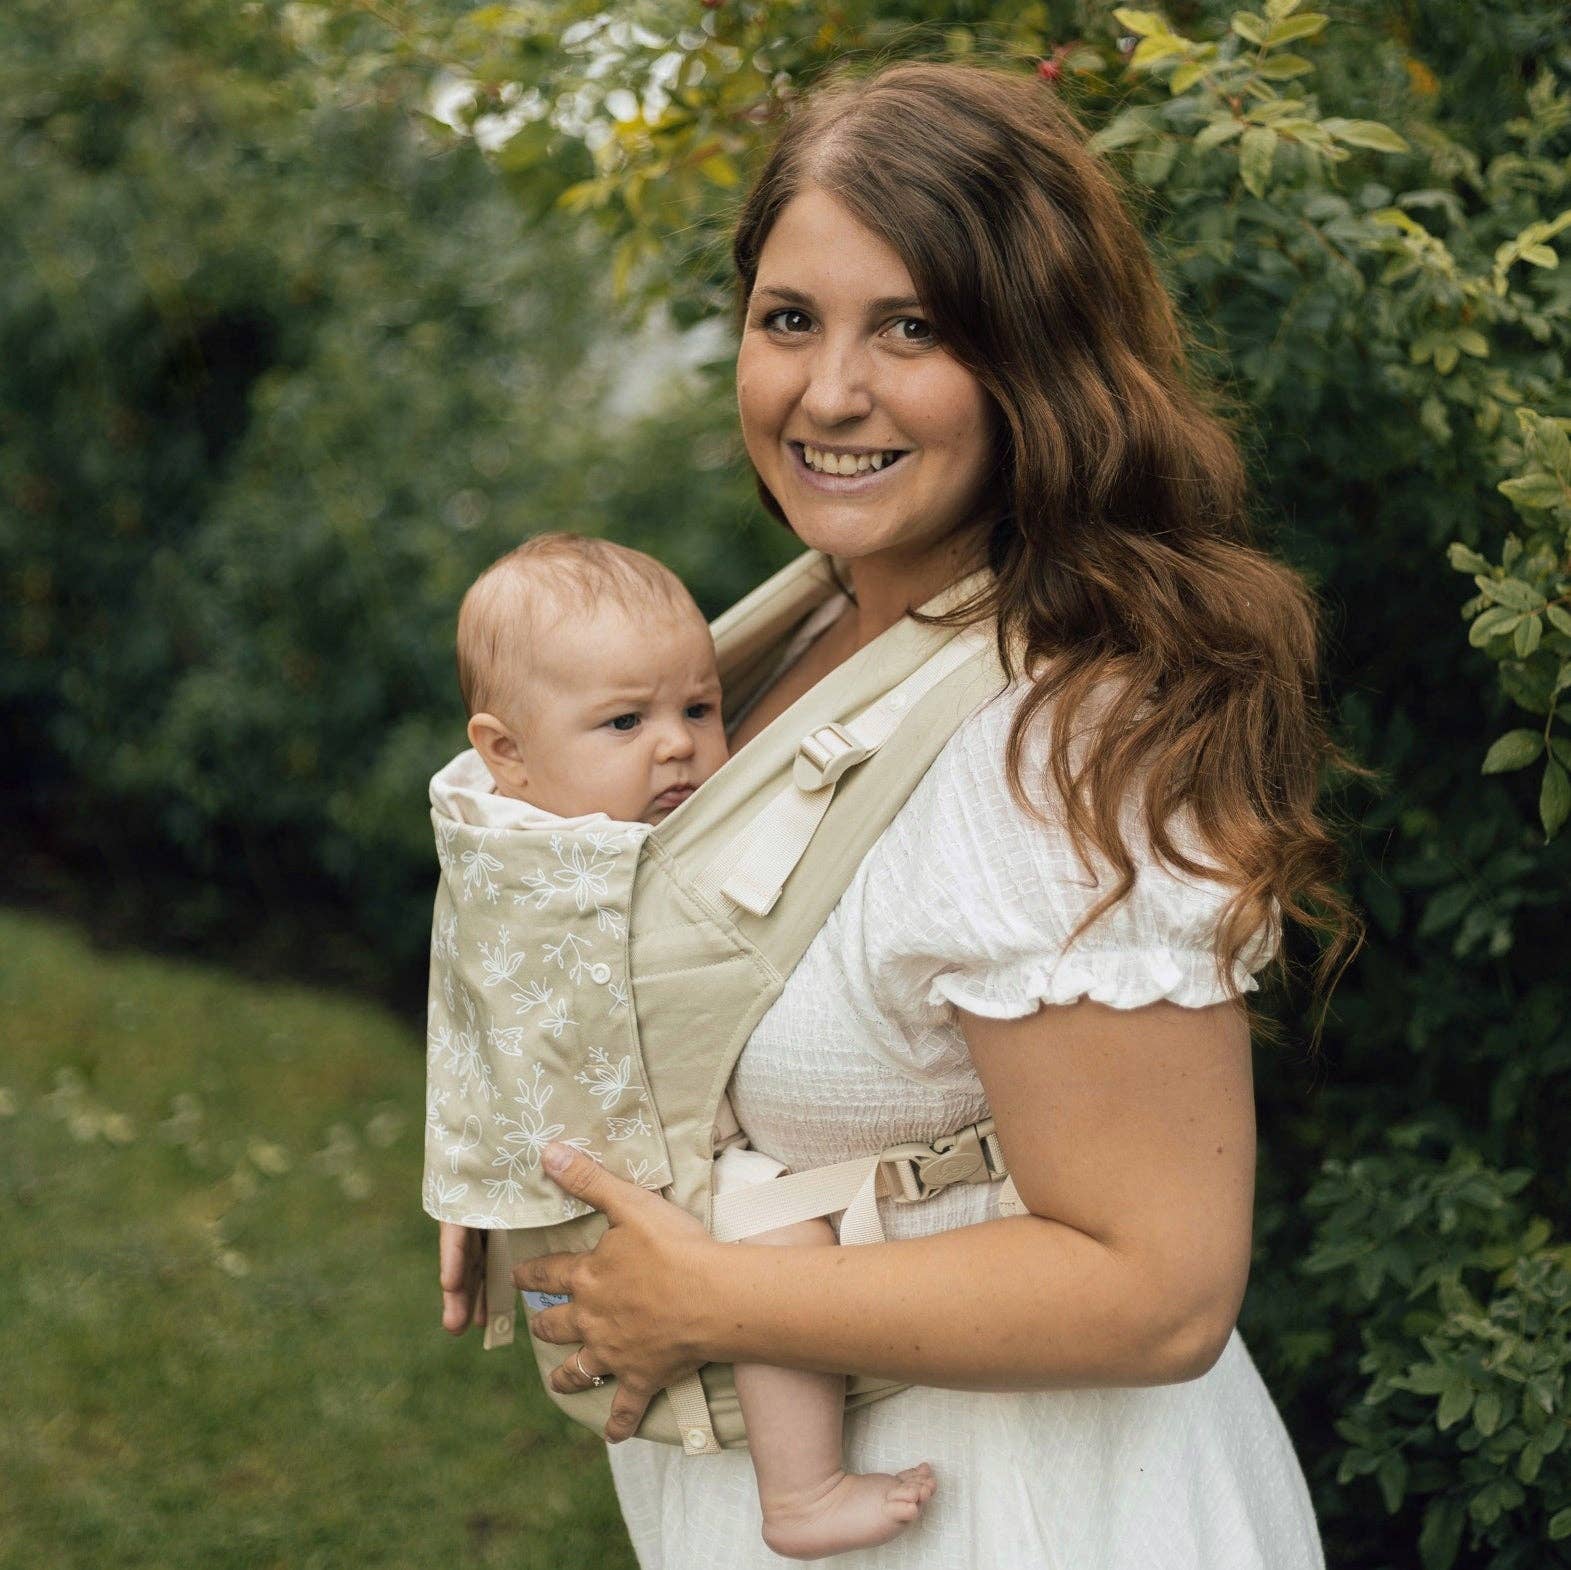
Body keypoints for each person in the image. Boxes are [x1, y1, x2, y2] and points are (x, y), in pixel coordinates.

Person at [440, 58, 1357, 1569]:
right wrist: (526, 1147)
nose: (828, 392)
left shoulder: (1052, 747)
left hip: (1022, 1512)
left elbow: (1162, 1290)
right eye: (788, 319)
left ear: (1031, 362)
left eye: (911, 328)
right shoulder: (801, 635)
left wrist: (710, 1296)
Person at [435, 531, 938, 1559]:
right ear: (505, 752)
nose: (677, 745)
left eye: (699, 710)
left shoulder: (508, 826)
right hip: (629, 1180)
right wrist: (480, 1177)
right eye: (625, 721)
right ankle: (802, 1492)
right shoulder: (556, 867)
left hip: (603, 1174)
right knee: (781, 1249)